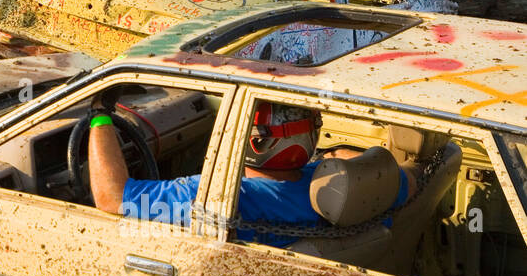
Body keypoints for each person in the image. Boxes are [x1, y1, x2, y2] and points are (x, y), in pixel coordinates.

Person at [90, 100, 412, 247]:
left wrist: (99, 116)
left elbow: (112, 197)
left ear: (256, 141)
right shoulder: (355, 190)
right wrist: (338, 160)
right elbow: (408, 177)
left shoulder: (218, 196)